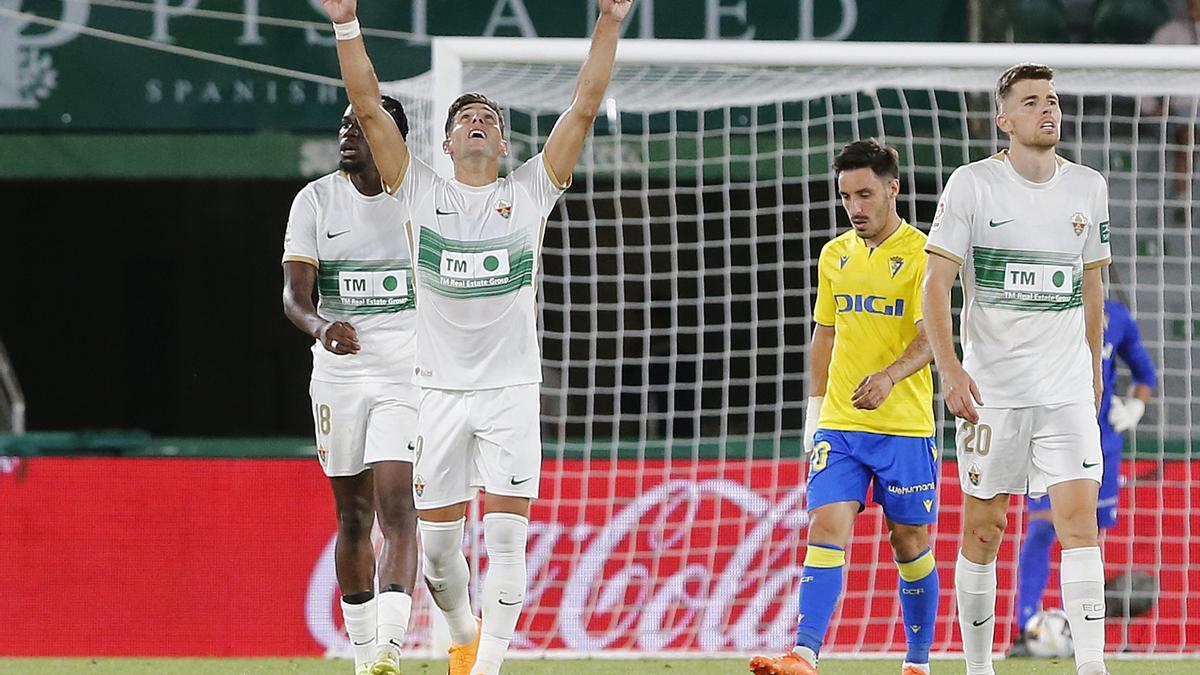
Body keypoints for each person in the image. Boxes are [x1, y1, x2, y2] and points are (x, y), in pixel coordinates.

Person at [318, 1, 632, 673]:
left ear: (505, 145)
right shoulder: (417, 191)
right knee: (436, 554)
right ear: (448, 142)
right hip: (436, 393)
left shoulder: (531, 191)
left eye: (489, 116)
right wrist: (347, 22)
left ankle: (485, 668)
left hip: (511, 392)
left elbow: (583, 105)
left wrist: (608, 19)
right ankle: (462, 629)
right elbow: (369, 107)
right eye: (465, 116)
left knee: (508, 538)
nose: (478, 120)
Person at [923, 62, 1113, 675]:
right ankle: (979, 667)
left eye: (1053, 99)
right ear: (1004, 120)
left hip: (1064, 390)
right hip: (992, 392)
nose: (1048, 109)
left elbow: (1092, 286)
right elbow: (935, 287)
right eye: (1032, 102)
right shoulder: (972, 186)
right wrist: (950, 370)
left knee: (1079, 522)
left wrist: (1092, 368)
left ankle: (1093, 668)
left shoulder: (1088, 186)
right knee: (985, 528)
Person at [749, 139, 938, 675]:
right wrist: (815, 412)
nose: (855, 207)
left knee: (909, 542)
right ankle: (805, 653)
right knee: (826, 525)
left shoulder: (924, 254)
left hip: (903, 425)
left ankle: (918, 662)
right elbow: (824, 335)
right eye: (846, 197)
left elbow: (932, 340)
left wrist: (889, 376)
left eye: (865, 194)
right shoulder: (834, 255)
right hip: (842, 424)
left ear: (892, 188)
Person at [282, 97, 419, 675]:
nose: (347, 133)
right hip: (338, 372)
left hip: (405, 371)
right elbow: (293, 297)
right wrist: (321, 327)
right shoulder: (315, 200)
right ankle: (365, 660)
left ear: (391, 137)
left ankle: (390, 646)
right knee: (353, 515)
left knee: (398, 507)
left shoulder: (420, 197)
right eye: (343, 124)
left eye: (360, 125)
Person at [1008, 294, 1156, 655]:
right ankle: (1026, 629)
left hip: (1099, 445)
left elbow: (1144, 372)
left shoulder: (1115, 317)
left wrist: (1136, 405)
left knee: (1085, 539)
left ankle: (1079, 633)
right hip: (1049, 437)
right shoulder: (1044, 308)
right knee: (1043, 526)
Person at [1147, 0, 1200, 199]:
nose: (1194, 6)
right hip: (1182, 110)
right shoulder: (1170, 32)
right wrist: (1151, 106)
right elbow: (1140, 69)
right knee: (1188, 138)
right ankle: (1182, 202)